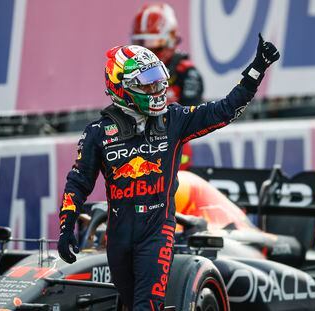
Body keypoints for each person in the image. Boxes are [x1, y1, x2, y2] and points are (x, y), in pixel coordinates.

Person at [57, 34, 279, 310]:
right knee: (127, 305)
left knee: (146, 306)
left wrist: (256, 69)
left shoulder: (173, 119)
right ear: (121, 88)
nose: (157, 89)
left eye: (158, 80)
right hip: (118, 237)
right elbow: (78, 183)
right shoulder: (97, 133)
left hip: (157, 232)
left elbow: (225, 110)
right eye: (147, 84)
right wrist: (66, 227)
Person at [131, 3, 203, 170]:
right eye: (142, 45)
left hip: (173, 147)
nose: (148, 52)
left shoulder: (186, 72)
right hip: (138, 145)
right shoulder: (130, 72)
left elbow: (189, 118)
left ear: (170, 42)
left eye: (154, 46)